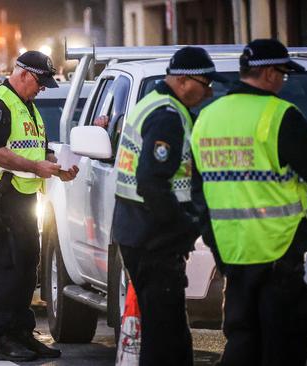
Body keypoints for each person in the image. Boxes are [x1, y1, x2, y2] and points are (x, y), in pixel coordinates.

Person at [191, 39, 307, 366]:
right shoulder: (280, 115)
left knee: (242, 339)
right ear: (270, 73)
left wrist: (217, 244)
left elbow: (197, 193)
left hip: (232, 252)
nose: (284, 81)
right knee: (282, 344)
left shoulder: (206, 118)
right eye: (284, 74)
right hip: (278, 250)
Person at [112, 47, 226, 366]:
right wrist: (182, 227)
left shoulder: (155, 105)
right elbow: (152, 182)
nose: (209, 91)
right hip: (153, 236)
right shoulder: (167, 116)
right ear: (185, 81)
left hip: (138, 229)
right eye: (205, 83)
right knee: (165, 332)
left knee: (165, 327)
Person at [0, 50, 78, 362]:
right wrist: (37, 168)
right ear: (24, 75)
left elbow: (36, 147)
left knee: (26, 263)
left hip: (22, 196)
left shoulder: (27, 105)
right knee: (9, 266)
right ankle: (5, 337)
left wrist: (57, 167)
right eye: (40, 82)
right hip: (1, 195)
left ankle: (22, 332)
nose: (42, 88)